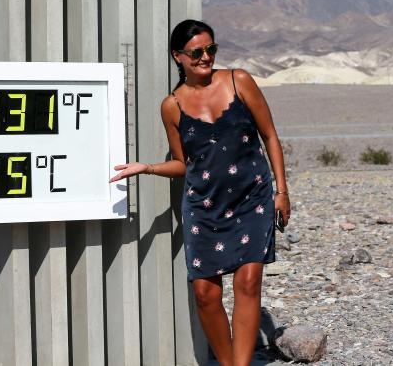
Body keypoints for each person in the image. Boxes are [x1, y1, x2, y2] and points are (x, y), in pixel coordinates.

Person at [110, 20, 290, 366]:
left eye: (212, 49)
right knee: (205, 293)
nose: (206, 57)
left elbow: (269, 135)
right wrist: (147, 168)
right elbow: (183, 163)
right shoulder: (172, 106)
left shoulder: (240, 81)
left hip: (252, 198)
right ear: (178, 57)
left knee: (249, 282)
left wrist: (281, 191)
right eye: (197, 52)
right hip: (203, 207)